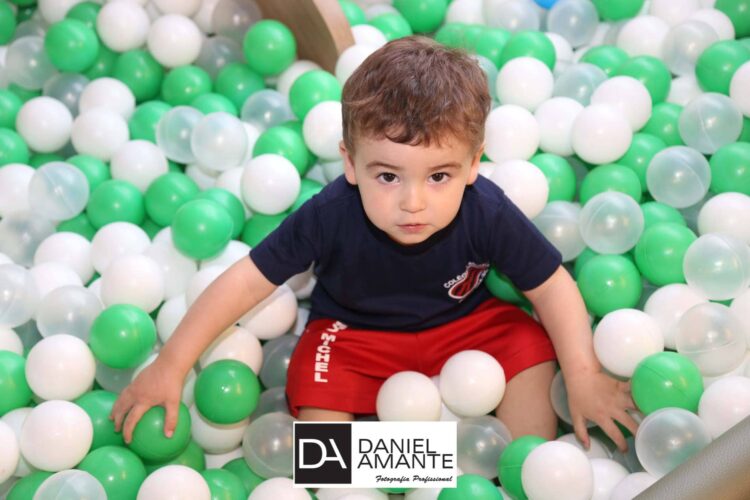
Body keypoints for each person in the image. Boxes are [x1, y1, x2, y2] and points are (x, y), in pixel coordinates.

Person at [111, 36, 637, 452]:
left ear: (474, 164)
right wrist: (171, 364)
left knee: (528, 344)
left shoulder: (487, 210)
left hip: (466, 326)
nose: (413, 203)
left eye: (439, 176)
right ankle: (446, 462)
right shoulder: (329, 214)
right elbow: (247, 281)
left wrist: (584, 377)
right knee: (319, 440)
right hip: (353, 337)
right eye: (388, 176)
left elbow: (551, 287)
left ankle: (514, 466)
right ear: (350, 163)